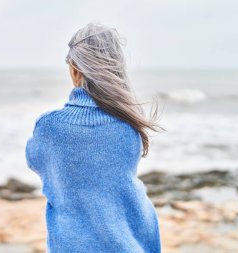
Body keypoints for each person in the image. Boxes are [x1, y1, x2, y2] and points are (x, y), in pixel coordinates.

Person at [25, 22, 164, 253]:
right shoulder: (130, 124)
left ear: (75, 69)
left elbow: (35, 160)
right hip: (136, 240)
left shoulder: (49, 127)